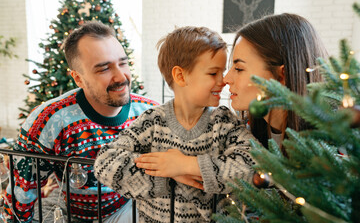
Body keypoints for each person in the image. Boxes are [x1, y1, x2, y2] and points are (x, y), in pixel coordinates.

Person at [94, 26, 256, 222]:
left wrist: (187, 165)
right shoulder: (152, 121)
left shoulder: (224, 122)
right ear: (180, 76)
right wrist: (167, 173)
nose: (224, 81)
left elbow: (253, 166)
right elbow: (105, 163)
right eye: (214, 73)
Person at [5, 21, 158, 223]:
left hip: (131, 206)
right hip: (74, 213)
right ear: (78, 78)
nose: (122, 77)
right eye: (104, 69)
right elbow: (22, 190)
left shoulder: (150, 114)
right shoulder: (47, 121)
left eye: (123, 63)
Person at [224, 13, 328, 148]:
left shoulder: (336, 143)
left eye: (239, 69)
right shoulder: (244, 133)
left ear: (282, 75)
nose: (226, 79)